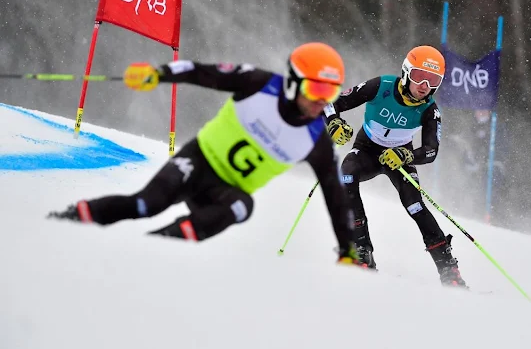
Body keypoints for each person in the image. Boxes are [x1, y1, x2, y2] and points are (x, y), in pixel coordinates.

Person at [48, 42, 362, 266]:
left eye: (330, 93)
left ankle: (150, 252)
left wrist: (348, 249)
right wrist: (158, 74)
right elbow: (200, 72)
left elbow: (336, 197)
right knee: (146, 204)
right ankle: (66, 220)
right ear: (293, 82)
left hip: (226, 192)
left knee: (243, 206)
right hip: (198, 162)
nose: (322, 102)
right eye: (316, 91)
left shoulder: (316, 139)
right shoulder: (258, 84)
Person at [324, 45, 468, 287]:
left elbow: (431, 151)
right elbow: (331, 103)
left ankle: (449, 270)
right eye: (419, 76)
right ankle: (361, 251)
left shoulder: (430, 110)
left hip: (398, 160)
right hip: (367, 150)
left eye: (434, 80)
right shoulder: (380, 86)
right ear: (406, 72)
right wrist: (334, 123)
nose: (425, 85)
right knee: (346, 175)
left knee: (414, 206)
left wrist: (405, 155)